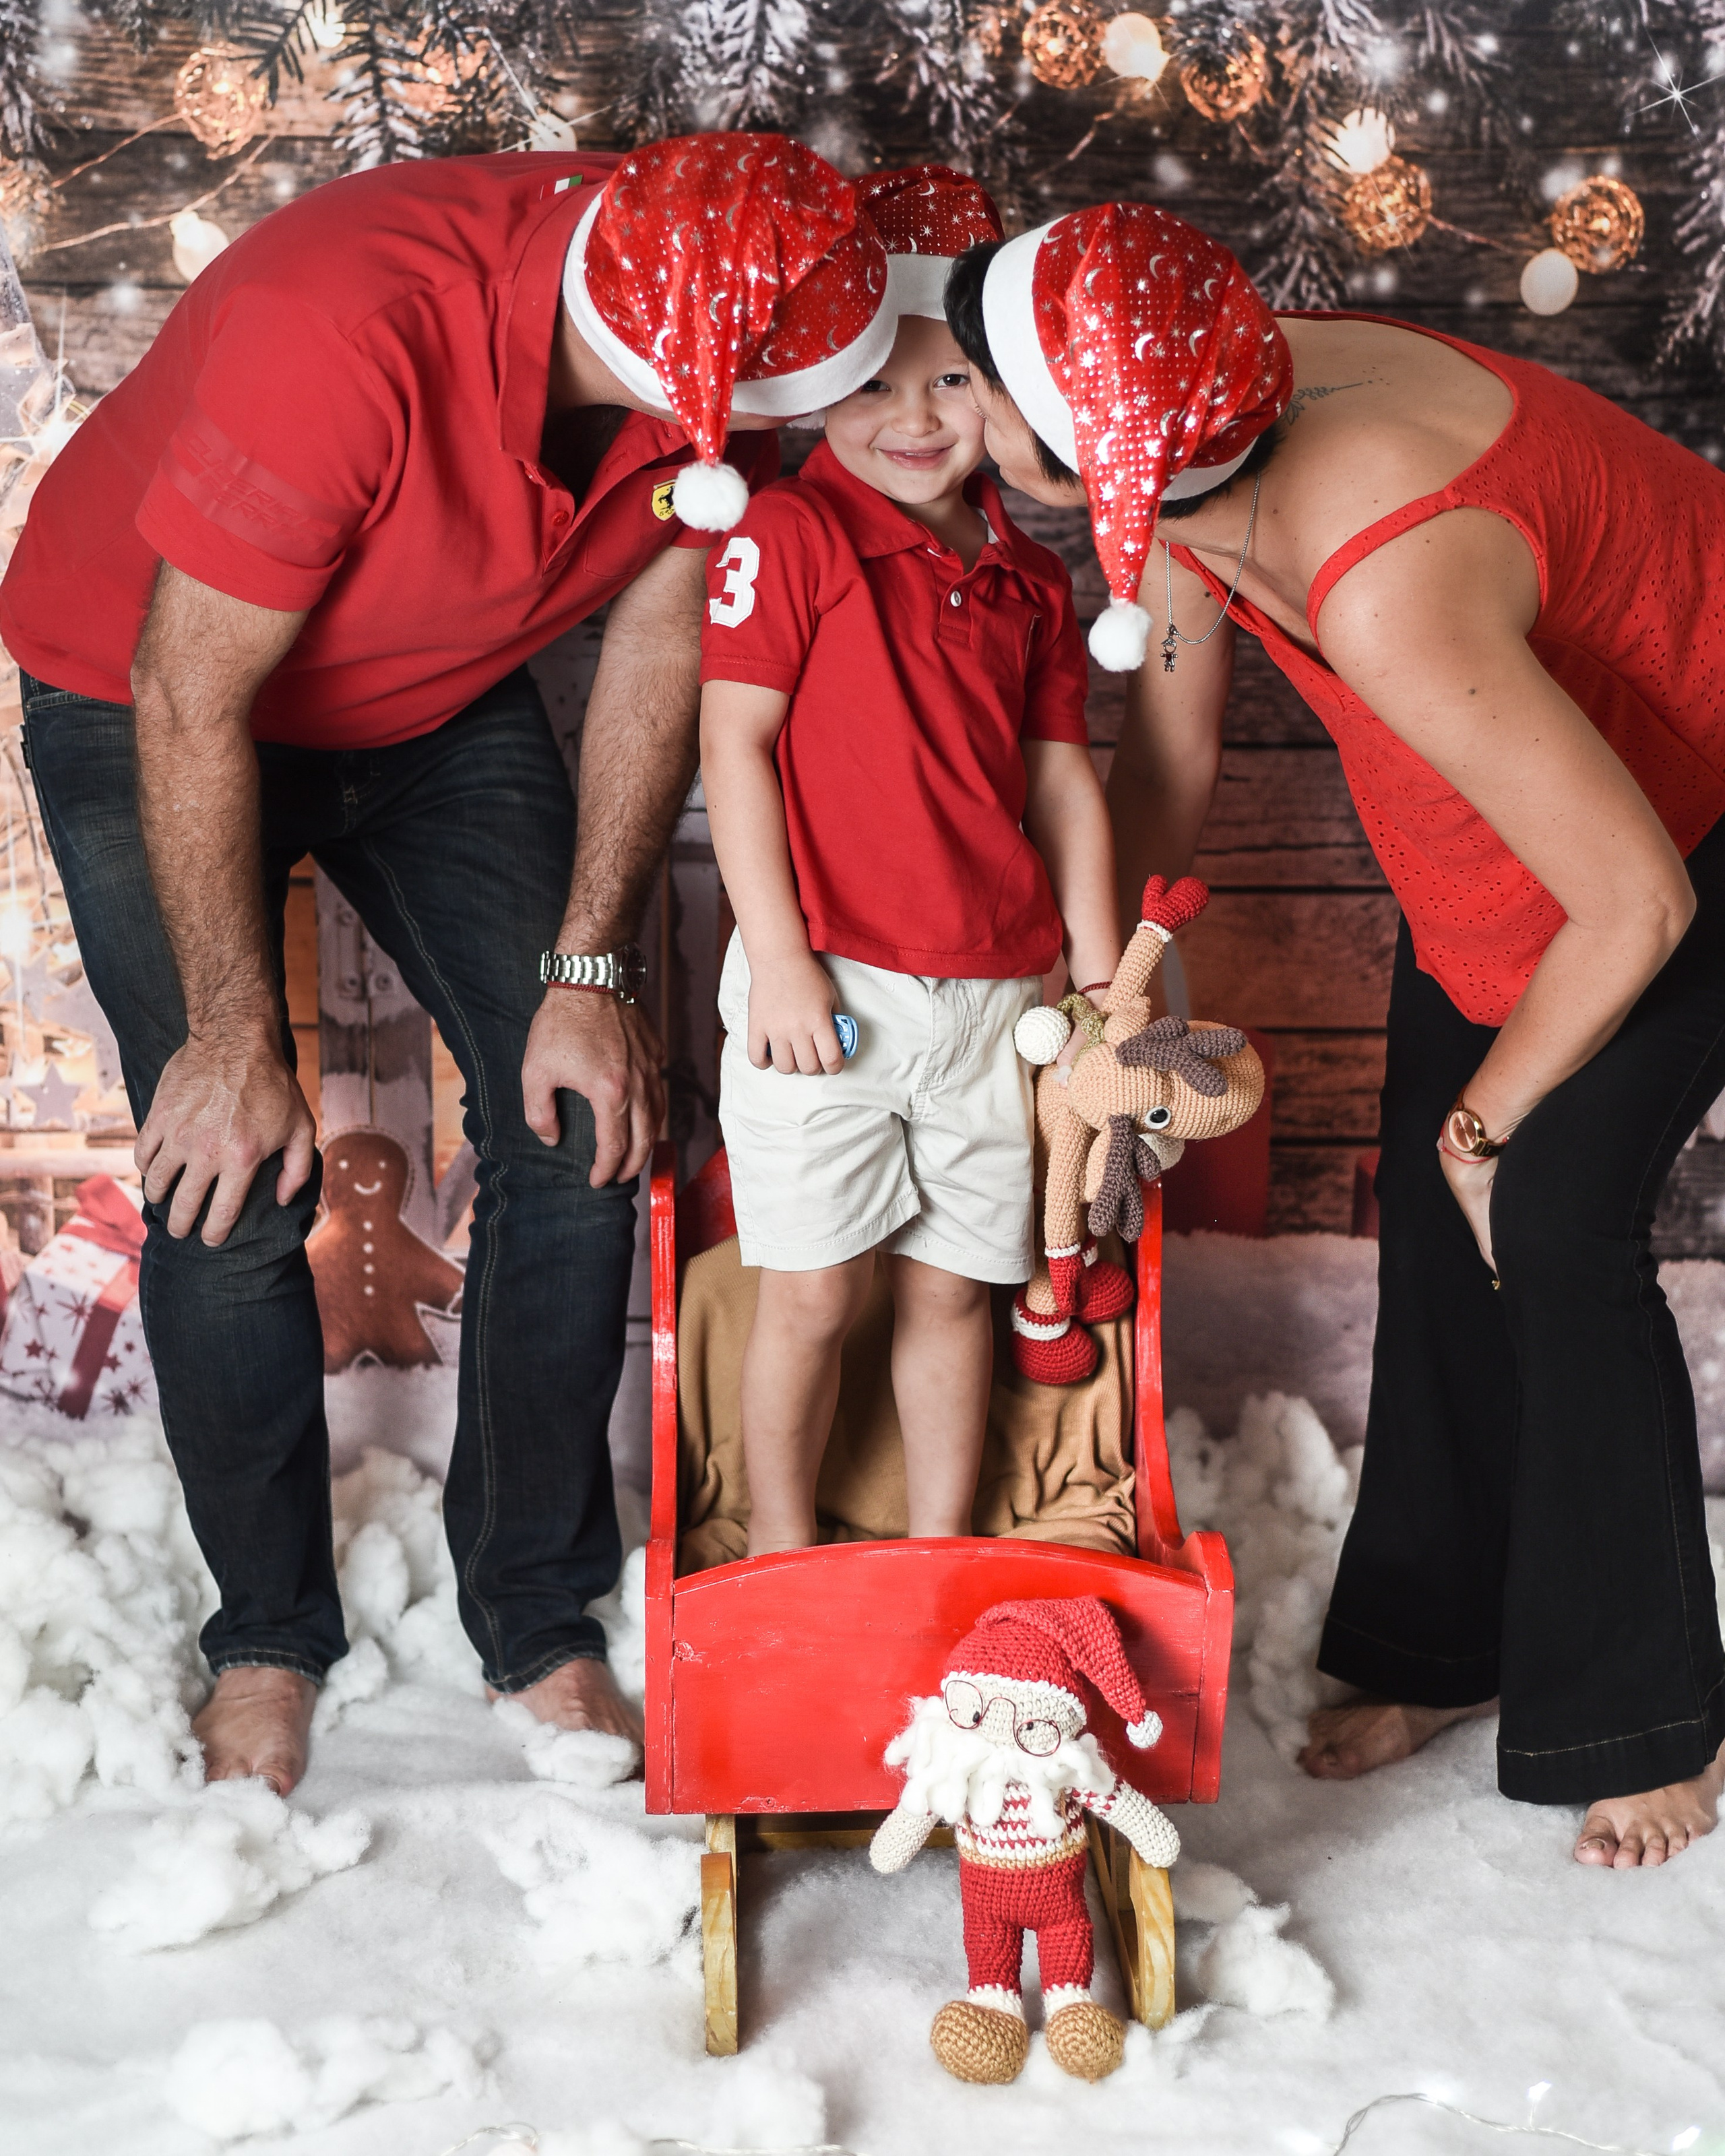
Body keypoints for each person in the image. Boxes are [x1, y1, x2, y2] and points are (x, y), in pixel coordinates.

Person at [0, 133, 893, 1794]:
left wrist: (593, 969)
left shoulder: (761, 289)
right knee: (230, 1159)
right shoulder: (338, 329)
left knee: (585, 1116)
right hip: (154, 692)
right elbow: (194, 693)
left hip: (433, 694)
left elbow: (660, 618)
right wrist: (229, 1033)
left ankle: (535, 1610)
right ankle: (266, 1632)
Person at [943, 201, 1725, 1868]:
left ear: (1078, 447)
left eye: (977, 387)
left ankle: (1646, 1714)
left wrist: (1489, 1120)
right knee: (1436, 1244)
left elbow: (1638, 906)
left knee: (1545, 1225)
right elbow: (1170, 732)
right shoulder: (1185, 418)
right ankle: (1440, 1645)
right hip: (1540, 809)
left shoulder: (1381, 574)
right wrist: (1124, 966)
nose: (951, 407)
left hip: (1679, 819)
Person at [698, 167, 1120, 1554]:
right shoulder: (790, 534)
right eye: (876, 385)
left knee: (950, 1288)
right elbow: (734, 747)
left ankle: (934, 1558)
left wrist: (1100, 974)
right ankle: (779, 1552)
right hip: (824, 990)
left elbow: (1058, 777)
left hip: (999, 994)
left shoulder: (1032, 577)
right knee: (815, 1294)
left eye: (950, 386)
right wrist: (774, 960)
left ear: (1002, 398)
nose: (914, 421)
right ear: (818, 388)